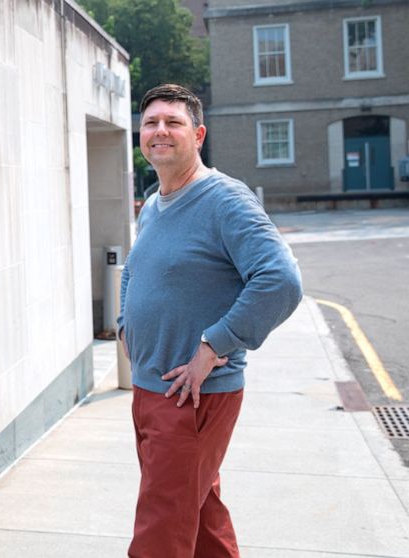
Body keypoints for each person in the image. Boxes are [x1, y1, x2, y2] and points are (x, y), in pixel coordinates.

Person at [119, 84, 302, 557]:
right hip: (152, 388)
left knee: (160, 529)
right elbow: (138, 269)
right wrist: (125, 325)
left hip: (192, 394)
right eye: (151, 123)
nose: (160, 131)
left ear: (198, 134)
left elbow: (280, 280)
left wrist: (214, 345)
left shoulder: (224, 199)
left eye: (173, 123)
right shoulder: (156, 203)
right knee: (198, 518)